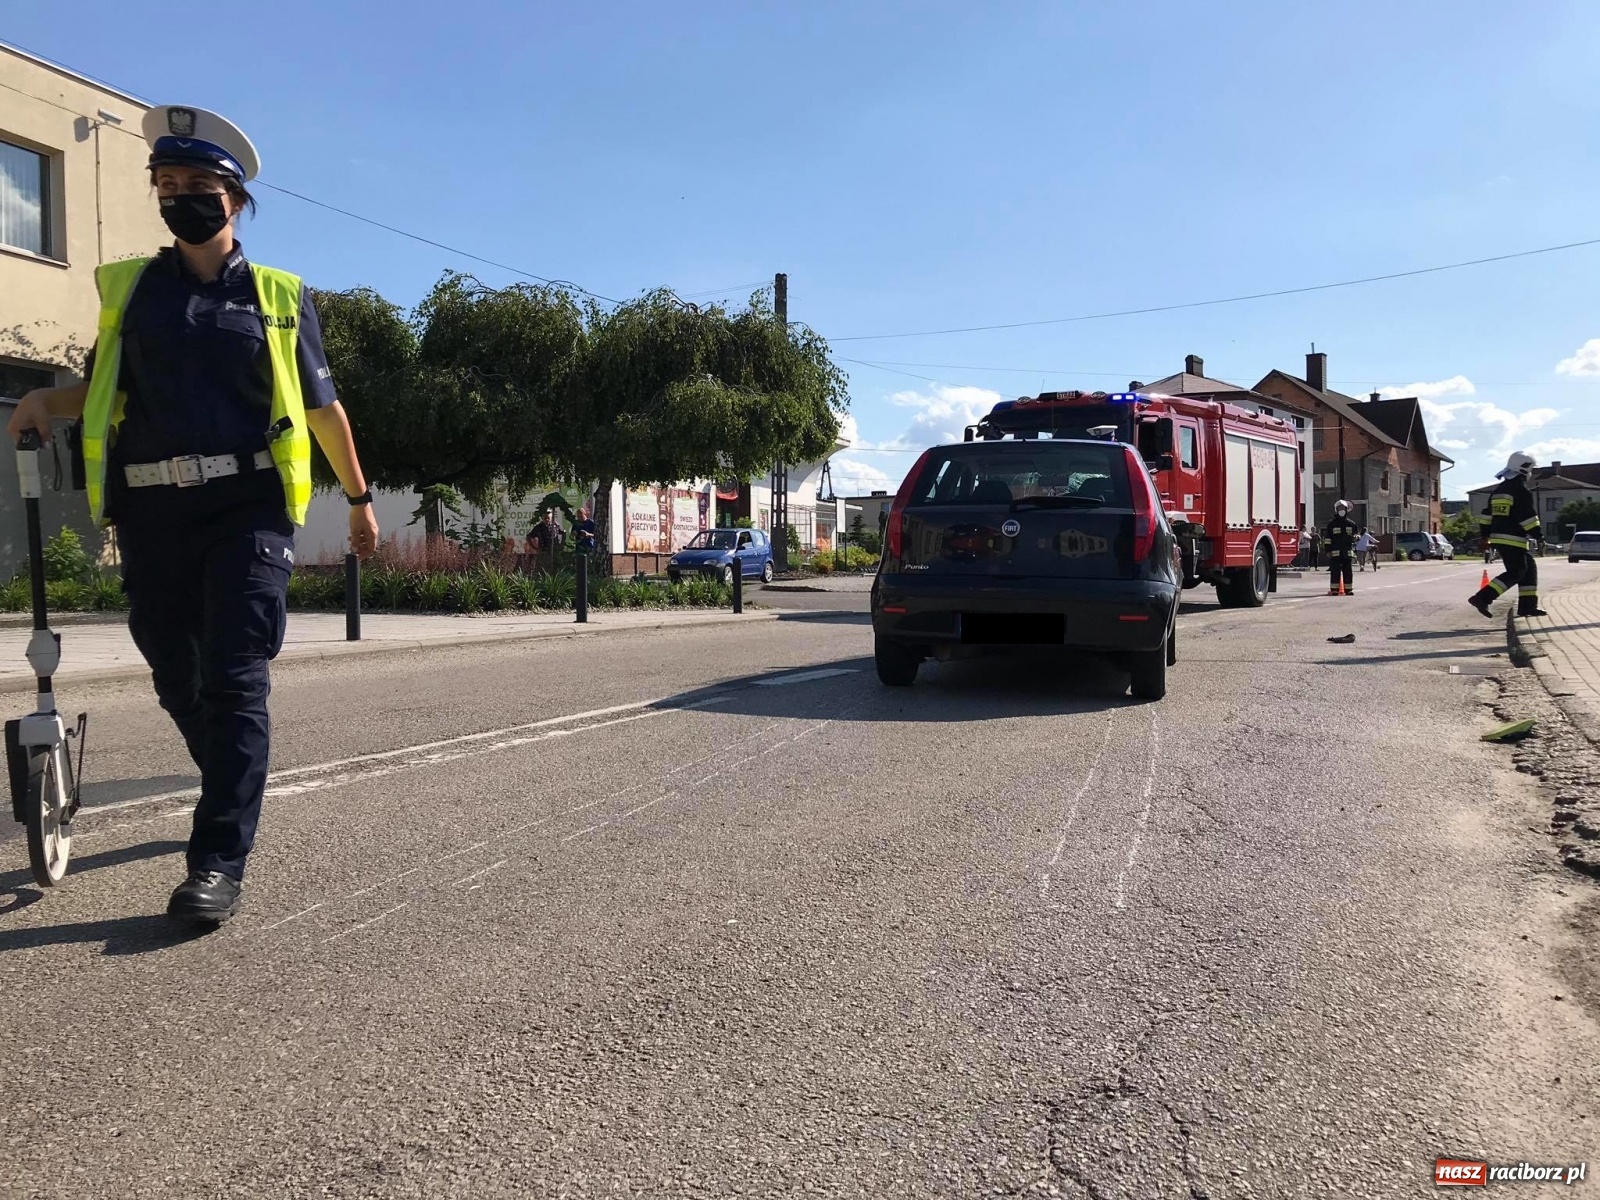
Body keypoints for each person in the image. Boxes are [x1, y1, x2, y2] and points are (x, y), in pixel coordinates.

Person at [7, 105, 379, 925]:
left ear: (235, 201)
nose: (180, 197)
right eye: (167, 185)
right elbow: (105, 391)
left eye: (198, 186)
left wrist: (357, 501)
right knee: (176, 674)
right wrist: (41, 395)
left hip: (246, 508)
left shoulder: (280, 297)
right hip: (151, 511)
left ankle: (215, 861)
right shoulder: (132, 291)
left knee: (237, 676)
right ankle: (230, 778)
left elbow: (322, 408)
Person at [1470, 451, 1546, 619]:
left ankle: (1527, 607)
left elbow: (1486, 515)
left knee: (1529, 568)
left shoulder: (1499, 490)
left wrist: (1485, 536)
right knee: (1516, 572)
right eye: (1532, 469)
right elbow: (1528, 518)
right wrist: (1539, 537)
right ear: (1525, 469)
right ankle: (1482, 597)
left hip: (1500, 537)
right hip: (1513, 539)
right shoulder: (1521, 491)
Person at [1324, 500, 1358, 595]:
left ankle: (1348, 589)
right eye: (1340, 509)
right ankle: (1334, 589)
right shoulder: (1331, 524)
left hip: (1347, 552)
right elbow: (1328, 539)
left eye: (1343, 509)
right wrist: (1327, 550)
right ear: (1336, 510)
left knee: (1348, 571)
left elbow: (1356, 535)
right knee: (1335, 571)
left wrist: (1356, 537)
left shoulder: (1351, 524)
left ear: (1347, 510)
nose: (1341, 510)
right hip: (1335, 552)